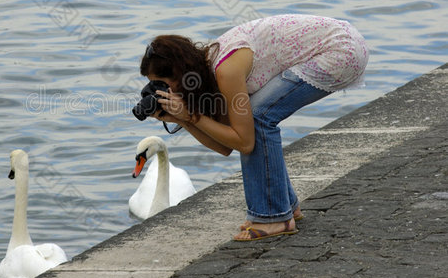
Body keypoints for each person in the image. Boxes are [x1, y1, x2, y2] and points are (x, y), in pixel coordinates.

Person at [139, 14, 368, 241]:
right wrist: (183, 119)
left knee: (258, 118)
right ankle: (285, 206)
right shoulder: (208, 69)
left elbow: (245, 142)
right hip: (339, 43)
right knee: (254, 119)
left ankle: (274, 217)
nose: (161, 91)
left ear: (179, 74)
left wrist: (191, 116)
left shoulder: (225, 70)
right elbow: (226, 145)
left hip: (340, 50)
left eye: (162, 84)